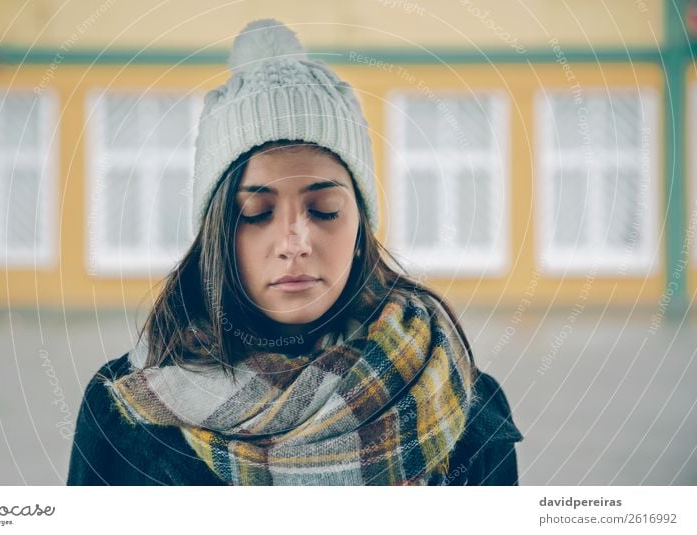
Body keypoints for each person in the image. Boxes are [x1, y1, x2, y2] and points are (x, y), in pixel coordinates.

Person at [67, 18, 522, 486]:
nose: (294, 243)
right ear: (217, 232)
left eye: (325, 210)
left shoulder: (460, 401)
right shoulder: (128, 413)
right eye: (257, 211)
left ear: (361, 226)